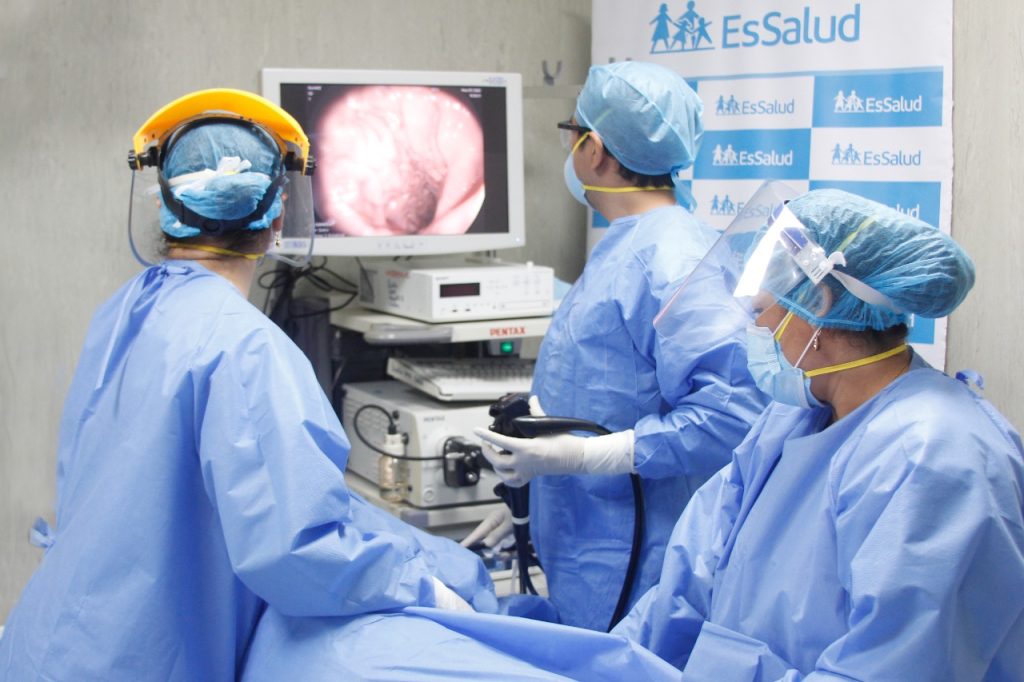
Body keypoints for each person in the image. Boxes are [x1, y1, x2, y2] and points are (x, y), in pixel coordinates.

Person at [0, 89, 495, 681]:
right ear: (277, 219)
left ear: (165, 205)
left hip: (57, 640)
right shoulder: (246, 349)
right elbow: (298, 551)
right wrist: (424, 584)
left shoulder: (125, 311)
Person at [613, 188, 1024, 679]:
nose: (755, 325)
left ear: (817, 303)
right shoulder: (790, 420)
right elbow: (688, 583)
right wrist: (608, 664)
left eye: (762, 310)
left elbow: (894, 665)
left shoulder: (935, 458)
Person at [467, 61, 767, 631]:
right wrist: (535, 497)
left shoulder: (673, 257)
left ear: (594, 149)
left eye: (572, 132)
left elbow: (732, 414)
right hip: (590, 534)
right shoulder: (633, 246)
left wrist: (581, 458)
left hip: (638, 556)